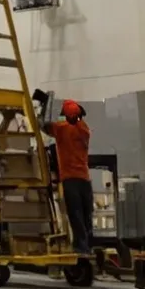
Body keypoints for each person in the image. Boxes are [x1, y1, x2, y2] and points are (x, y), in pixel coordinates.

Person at [44, 99, 93, 257]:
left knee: (75, 213)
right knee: (86, 215)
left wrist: (43, 110)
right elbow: (75, 120)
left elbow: (45, 126)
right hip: (85, 178)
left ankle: (80, 247)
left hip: (70, 179)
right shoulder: (84, 129)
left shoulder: (62, 129)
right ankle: (87, 245)